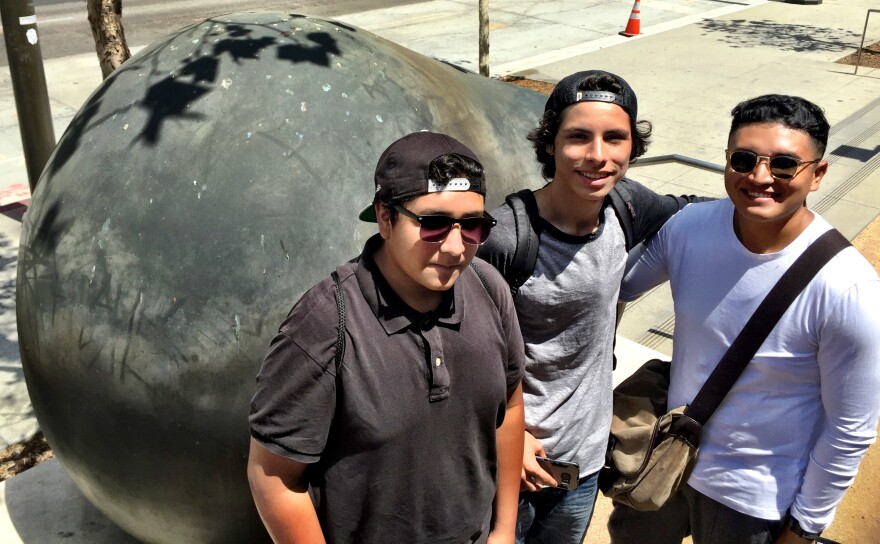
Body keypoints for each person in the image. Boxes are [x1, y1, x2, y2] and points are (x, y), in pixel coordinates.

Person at [610, 94, 880, 543]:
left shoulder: (848, 288)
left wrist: (804, 528)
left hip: (751, 497)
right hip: (662, 465)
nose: (760, 177)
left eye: (784, 165)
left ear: (818, 174)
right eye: (744, 159)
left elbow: (850, 427)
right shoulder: (689, 228)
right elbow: (609, 289)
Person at [247, 131, 526, 544]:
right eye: (432, 224)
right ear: (384, 217)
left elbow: (511, 404)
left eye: (473, 226)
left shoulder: (488, 287)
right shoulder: (326, 323)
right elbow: (273, 475)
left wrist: (503, 529)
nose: (455, 248)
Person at [476, 70, 706, 543]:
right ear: (551, 145)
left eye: (614, 138)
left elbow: (698, 211)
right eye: (578, 137)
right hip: (507, 460)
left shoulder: (626, 206)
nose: (598, 156)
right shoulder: (504, 237)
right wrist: (506, 432)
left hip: (582, 462)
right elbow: (458, 348)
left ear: (631, 148)